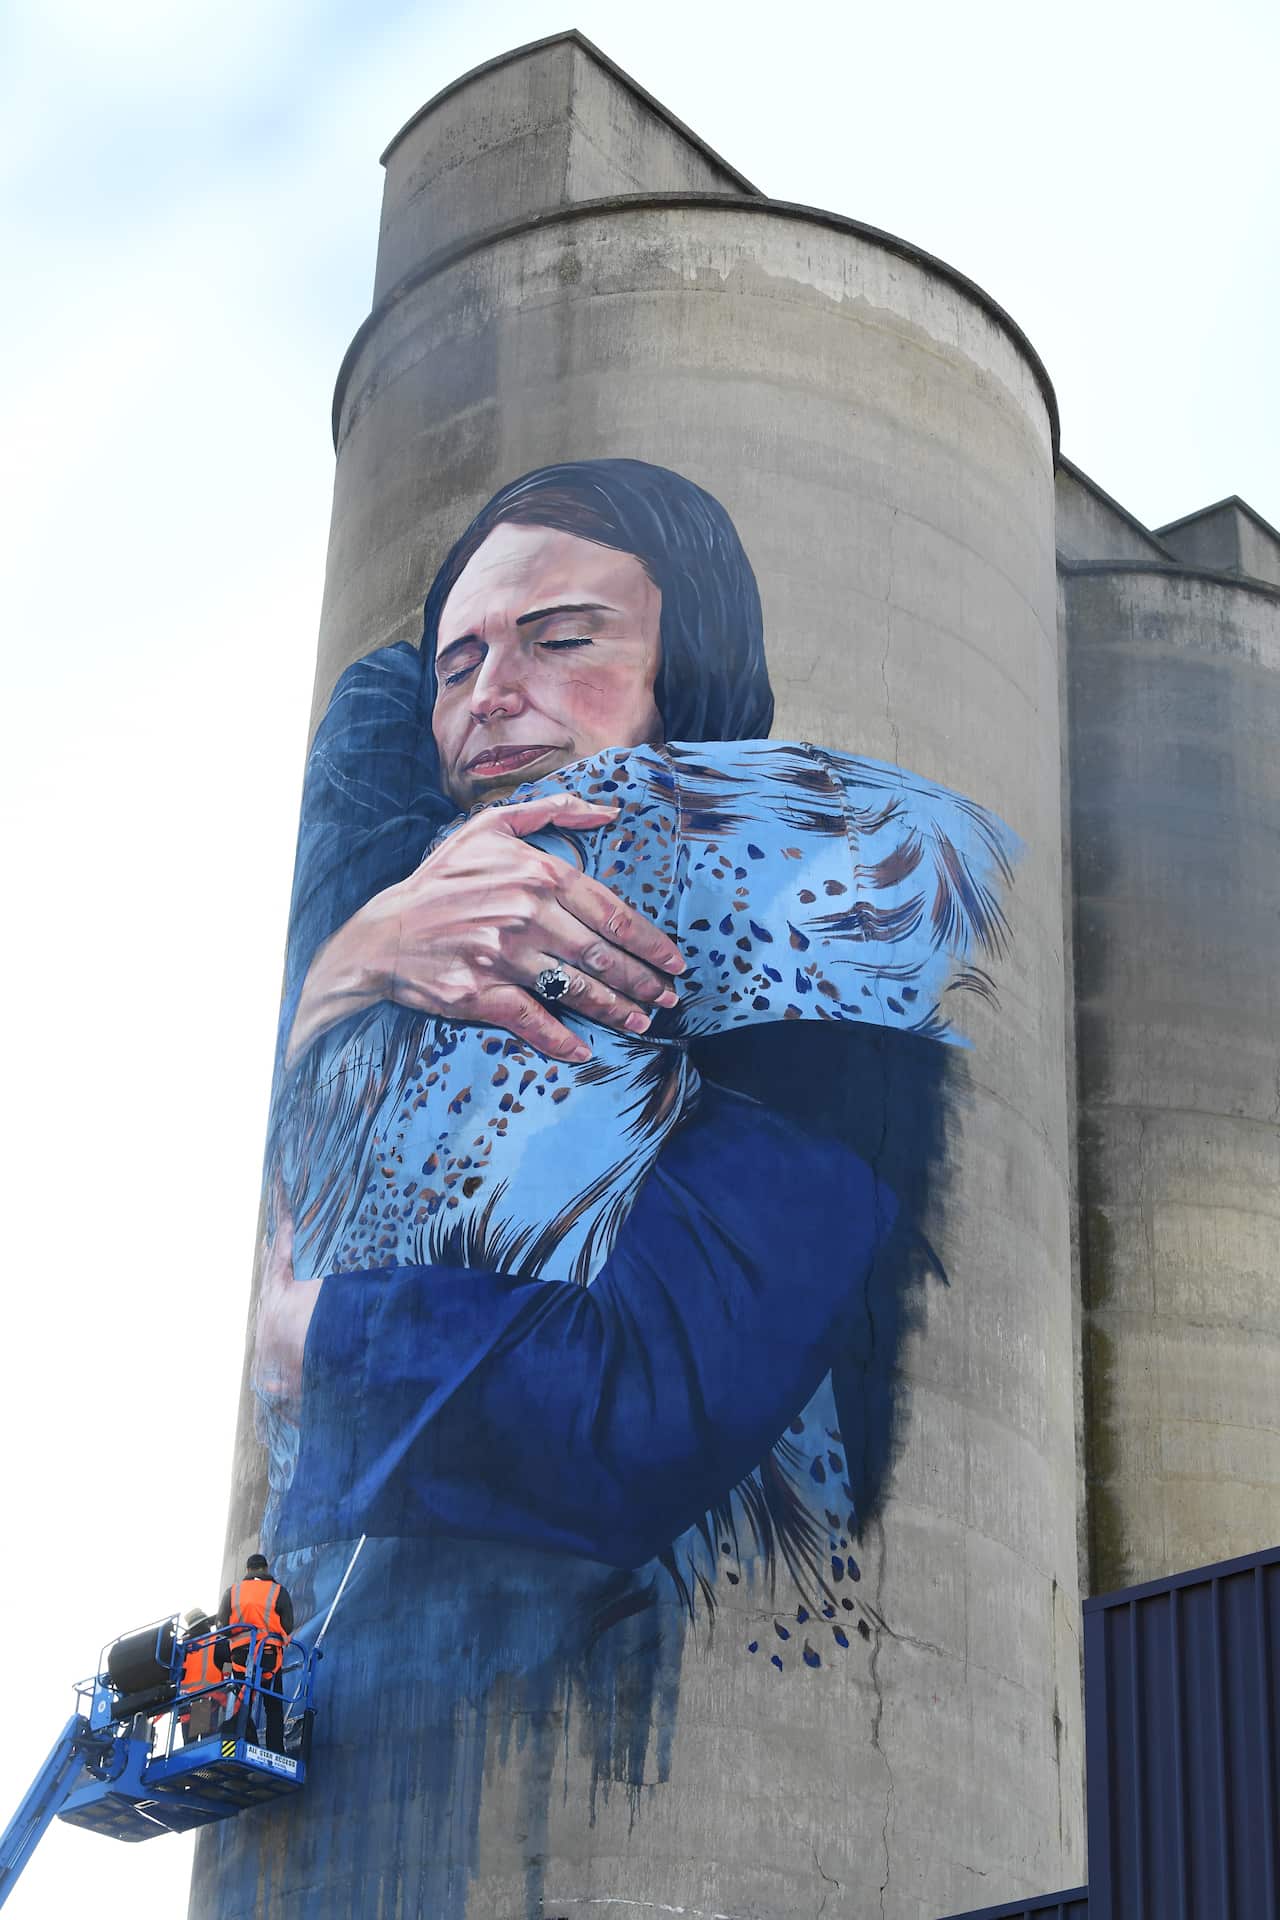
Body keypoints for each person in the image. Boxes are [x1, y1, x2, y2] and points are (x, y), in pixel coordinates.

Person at [217, 1554, 294, 1753]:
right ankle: (276, 1750)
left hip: (240, 1657)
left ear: (247, 1570)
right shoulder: (278, 1591)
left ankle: (238, 1742)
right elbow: (288, 1625)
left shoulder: (233, 1592)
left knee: (243, 1700)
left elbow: (222, 1626)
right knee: (273, 1705)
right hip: (268, 1657)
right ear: (266, 1568)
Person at [175, 1607, 225, 1744]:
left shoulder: (182, 1649)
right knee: (206, 1747)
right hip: (204, 1703)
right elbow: (228, 1663)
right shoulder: (215, 1641)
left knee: (189, 1750)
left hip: (185, 1705)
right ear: (206, 1624)